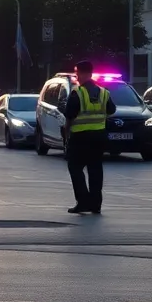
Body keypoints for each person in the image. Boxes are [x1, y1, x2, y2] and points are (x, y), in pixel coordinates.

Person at [61, 60, 116, 214]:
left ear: (84, 73)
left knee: (75, 168)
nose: (76, 76)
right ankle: (96, 205)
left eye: (77, 72)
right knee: (95, 169)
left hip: (80, 138)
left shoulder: (77, 93)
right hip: (99, 137)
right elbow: (111, 110)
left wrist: (66, 135)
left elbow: (69, 117)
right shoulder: (104, 93)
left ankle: (83, 201)